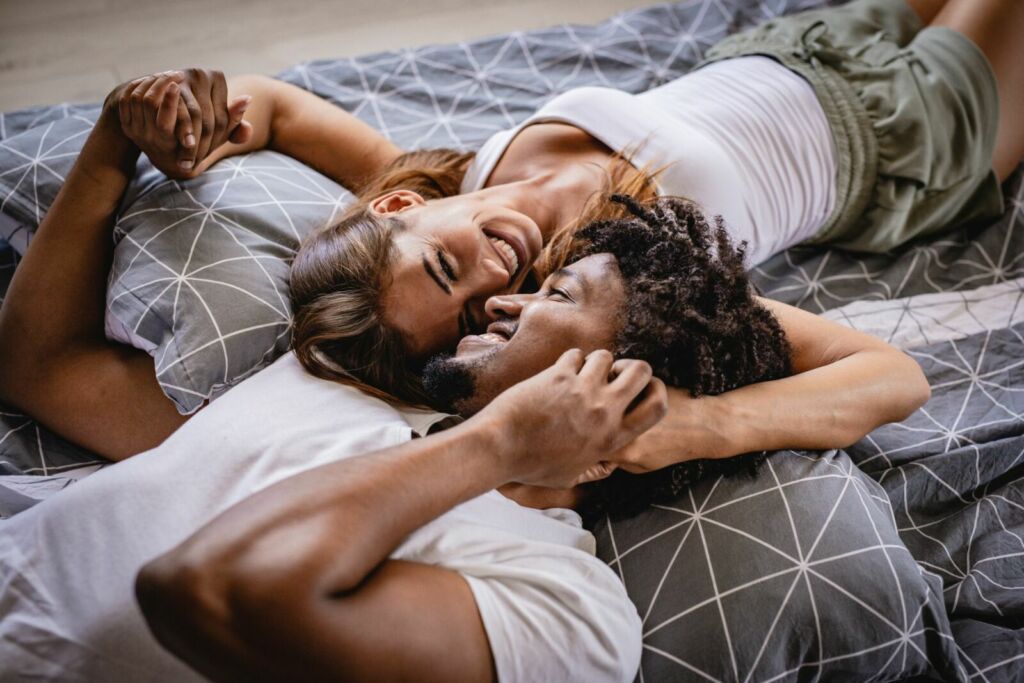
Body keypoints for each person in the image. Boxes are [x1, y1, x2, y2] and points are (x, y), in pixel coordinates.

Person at [0, 195, 930, 682]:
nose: (504, 297)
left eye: (555, 298)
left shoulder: (565, 613)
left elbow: (201, 589)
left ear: (617, 389)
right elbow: (42, 368)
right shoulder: (355, 380)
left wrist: (505, 446)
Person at [0, 0, 954, 466]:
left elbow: (276, 111)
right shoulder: (617, 268)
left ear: (398, 207)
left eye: (445, 263)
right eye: (474, 312)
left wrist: (153, 128)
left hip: (777, 50)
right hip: (900, 142)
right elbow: (892, 374)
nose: (493, 275)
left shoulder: (457, 183)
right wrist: (694, 425)